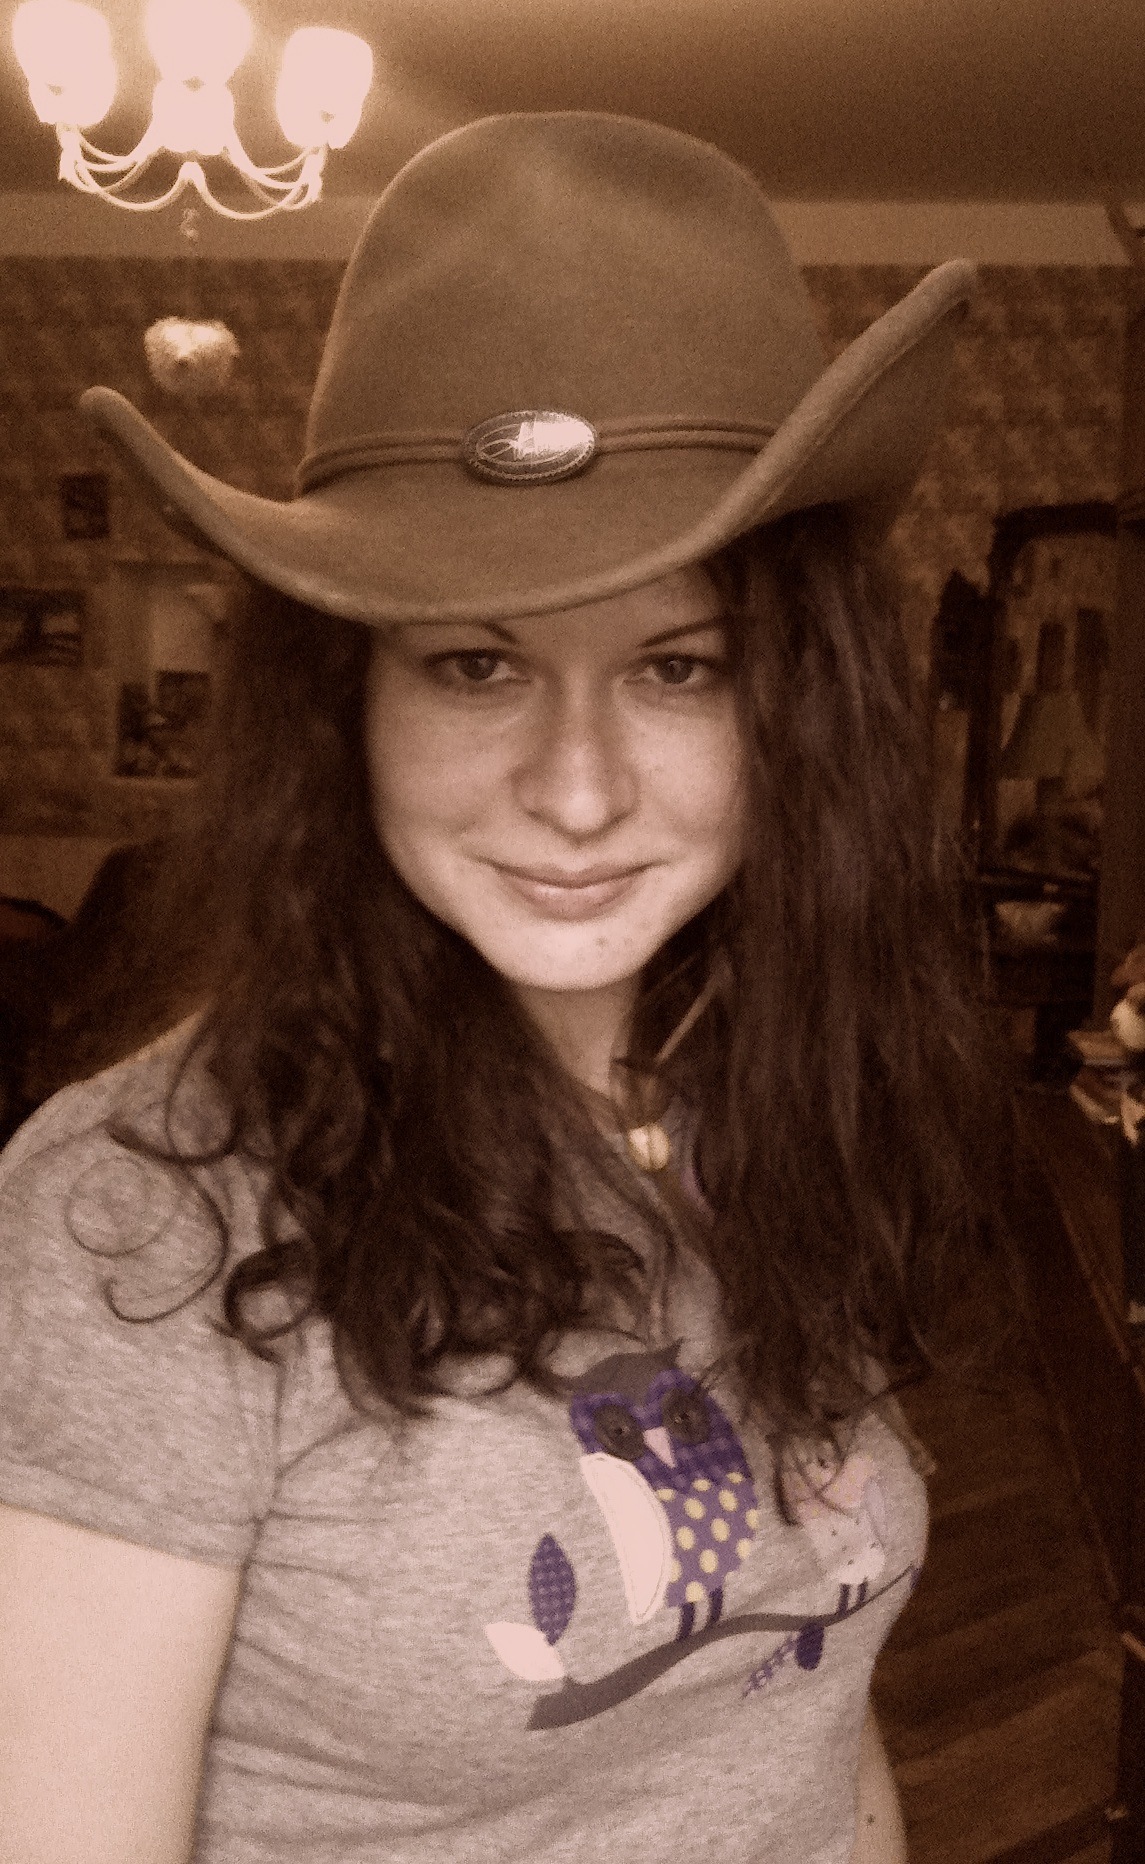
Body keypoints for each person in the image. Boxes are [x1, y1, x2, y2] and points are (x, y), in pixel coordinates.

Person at [0, 112, 1003, 1864]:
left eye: (678, 668)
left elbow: (804, 1723)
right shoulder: (138, 1224)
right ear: (343, 709)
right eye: (475, 663)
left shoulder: (763, 1093)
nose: (578, 790)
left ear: (799, 710)